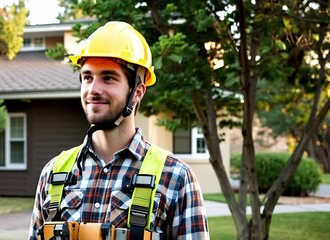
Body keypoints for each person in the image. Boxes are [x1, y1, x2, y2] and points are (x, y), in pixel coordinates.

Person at [29, 21, 209, 240]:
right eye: (87, 78)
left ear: (138, 92)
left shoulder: (175, 178)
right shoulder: (53, 174)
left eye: (109, 78)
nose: (93, 90)